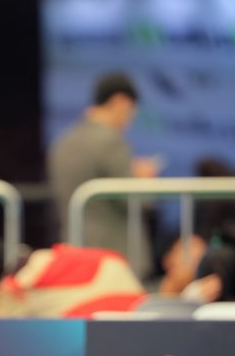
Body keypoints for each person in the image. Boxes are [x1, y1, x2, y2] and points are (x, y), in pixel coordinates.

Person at [47, 71, 159, 259]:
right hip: (113, 254)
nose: (130, 119)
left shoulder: (63, 142)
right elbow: (135, 201)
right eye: (131, 110)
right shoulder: (111, 142)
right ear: (120, 102)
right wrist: (144, 180)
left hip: (74, 250)